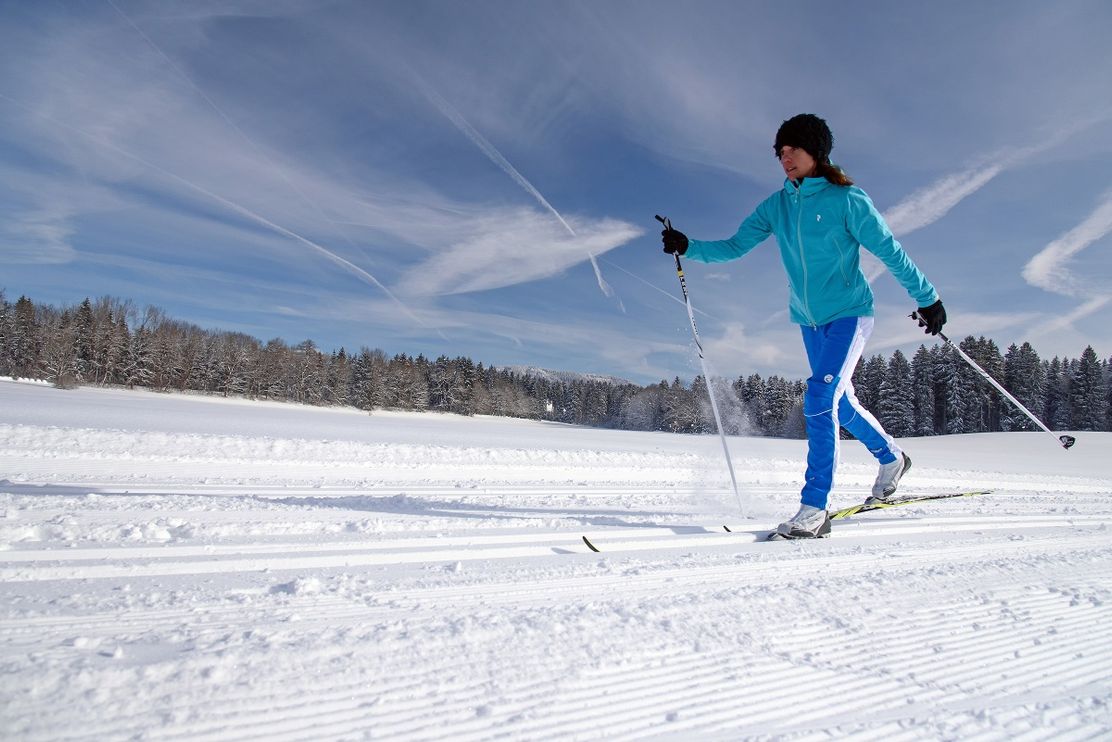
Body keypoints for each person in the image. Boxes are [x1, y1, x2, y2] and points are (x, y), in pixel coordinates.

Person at [661, 113, 946, 539]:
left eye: (792, 148)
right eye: (779, 152)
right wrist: (690, 246)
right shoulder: (776, 206)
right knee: (839, 403)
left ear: (816, 151)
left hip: (850, 313)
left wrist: (928, 298)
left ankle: (816, 508)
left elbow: (889, 250)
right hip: (809, 321)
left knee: (818, 396)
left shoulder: (847, 200)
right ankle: (892, 458)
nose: (784, 157)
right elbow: (736, 246)